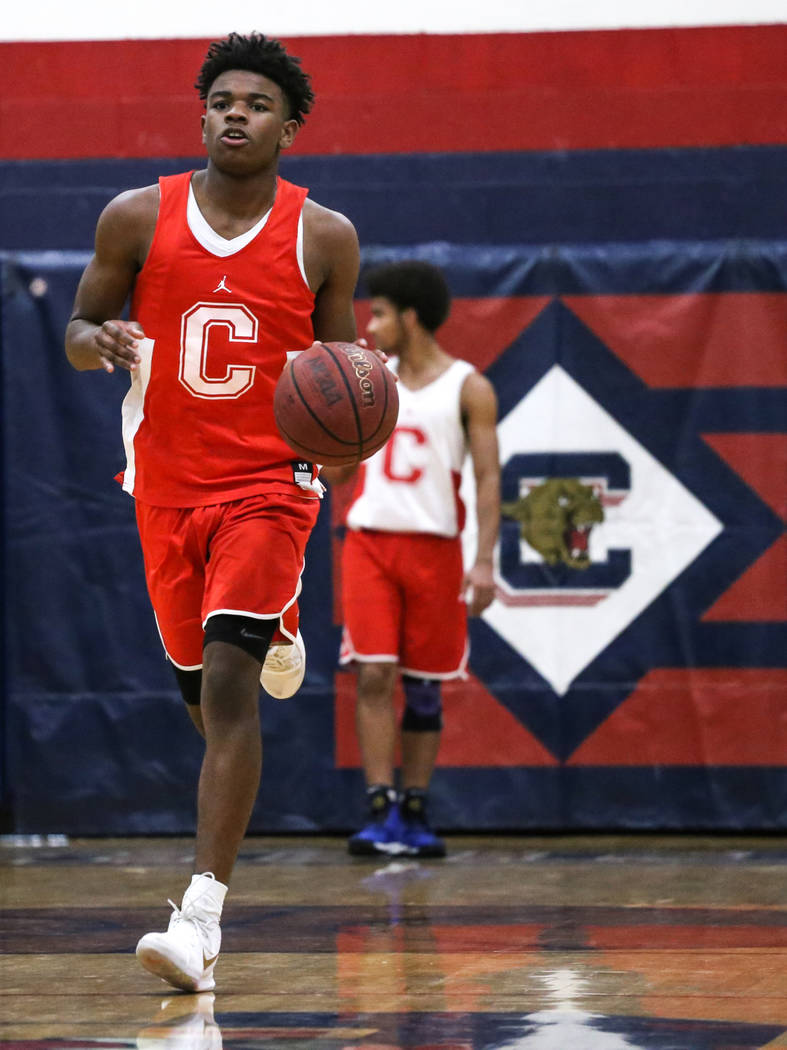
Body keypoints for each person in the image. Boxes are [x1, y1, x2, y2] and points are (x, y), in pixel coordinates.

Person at [65, 32, 366, 993]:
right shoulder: (133, 216)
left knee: (232, 690)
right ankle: (275, 625)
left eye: (259, 103)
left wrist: (338, 451)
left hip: (272, 488)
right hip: (162, 488)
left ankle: (199, 921)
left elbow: (345, 375)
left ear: (290, 126)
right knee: (201, 697)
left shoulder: (323, 235)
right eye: (223, 99)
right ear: (202, 114)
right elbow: (76, 329)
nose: (237, 113)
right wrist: (96, 339)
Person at [323, 261, 500, 858]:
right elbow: (343, 468)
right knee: (373, 672)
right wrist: (315, 441)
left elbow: (488, 478)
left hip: (437, 547)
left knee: (424, 688)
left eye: (379, 313)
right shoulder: (369, 381)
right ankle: (379, 806)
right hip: (370, 540)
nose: (369, 327)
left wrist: (484, 561)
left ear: (411, 316)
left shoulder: (470, 387)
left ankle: (417, 809)